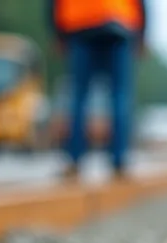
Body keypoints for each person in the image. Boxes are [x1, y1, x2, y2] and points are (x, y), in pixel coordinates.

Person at [50, 0, 147, 180]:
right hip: (118, 22)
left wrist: (57, 33)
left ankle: (74, 160)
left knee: (79, 95)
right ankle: (119, 161)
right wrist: (142, 35)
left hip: (80, 23)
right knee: (120, 94)